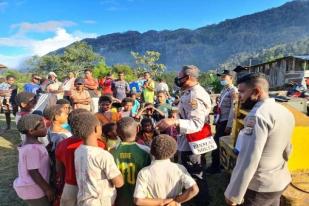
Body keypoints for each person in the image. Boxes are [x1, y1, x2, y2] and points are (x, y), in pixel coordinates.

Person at [224, 73, 295, 206]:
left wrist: (234, 194)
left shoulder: (257, 116)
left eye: (242, 92)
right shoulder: (285, 111)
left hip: (259, 186)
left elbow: (249, 159)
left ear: (256, 91)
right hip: (279, 180)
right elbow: (288, 150)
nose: (239, 96)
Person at [156, 65, 212, 205]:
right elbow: (186, 112)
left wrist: (174, 121)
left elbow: (196, 123)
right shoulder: (188, 92)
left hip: (192, 143)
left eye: (179, 77)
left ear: (187, 78)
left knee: (195, 173)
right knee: (191, 171)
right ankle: (195, 197)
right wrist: (177, 114)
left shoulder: (196, 95)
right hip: (187, 140)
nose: (177, 80)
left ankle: (201, 201)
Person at [55, 109, 105, 206]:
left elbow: (59, 169)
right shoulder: (99, 145)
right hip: (92, 187)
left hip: (70, 186)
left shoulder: (61, 145)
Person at [74, 112, 124, 206]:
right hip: (100, 201)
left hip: (83, 200)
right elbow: (119, 183)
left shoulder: (78, 151)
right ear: (96, 129)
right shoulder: (103, 155)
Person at [134, 134, 199, 206]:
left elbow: (138, 201)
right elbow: (194, 189)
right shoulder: (179, 169)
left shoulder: (144, 172)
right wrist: (175, 201)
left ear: (152, 151)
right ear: (173, 153)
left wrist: (162, 202)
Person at [14, 114, 54, 206]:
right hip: (34, 189)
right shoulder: (33, 149)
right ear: (31, 131)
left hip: (33, 187)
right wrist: (47, 189)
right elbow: (33, 172)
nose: (46, 128)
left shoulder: (29, 144)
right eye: (42, 127)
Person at [112, 117, 151, 206]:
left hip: (119, 199)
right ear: (138, 129)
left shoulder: (111, 151)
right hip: (140, 199)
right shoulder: (146, 151)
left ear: (117, 133)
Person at [207, 69, 238, 174]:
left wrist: (229, 125)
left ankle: (216, 167)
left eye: (224, 77)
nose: (221, 79)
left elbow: (233, 109)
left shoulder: (233, 91)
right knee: (217, 143)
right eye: (221, 77)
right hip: (219, 120)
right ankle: (217, 165)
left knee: (218, 144)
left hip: (225, 122)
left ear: (231, 78)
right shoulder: (225, 90)